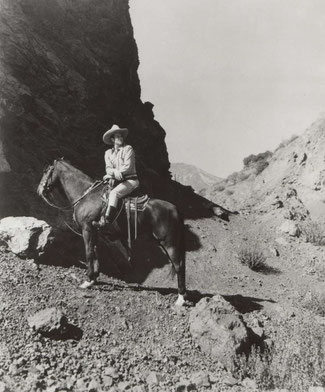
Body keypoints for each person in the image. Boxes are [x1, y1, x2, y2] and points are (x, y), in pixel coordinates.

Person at [95, 124, 139, 227]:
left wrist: (112, 175)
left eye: (121, 136)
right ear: (112, 139)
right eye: (118, 136)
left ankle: (107, 221)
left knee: (114, 193)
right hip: (117, 181)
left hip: (130, 181)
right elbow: (108, 168)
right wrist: (115, 173)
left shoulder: (128, 149)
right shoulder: (108, 153)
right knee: (102, 195)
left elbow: (127, 167)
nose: (121, 138)